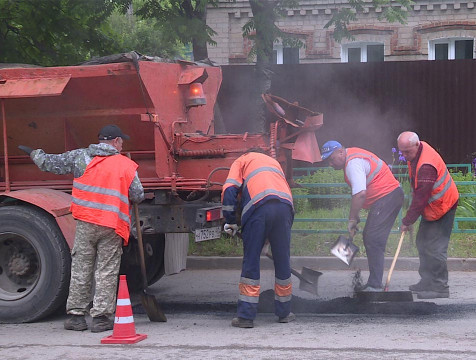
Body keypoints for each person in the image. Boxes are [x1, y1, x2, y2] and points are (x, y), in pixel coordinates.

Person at [19, 124, 144, 332]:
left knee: (81, 268)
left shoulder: (81, 157)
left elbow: (51, 163)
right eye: (121, 141)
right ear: (115, 142)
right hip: (111, 226)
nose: (122, 144)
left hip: (86, 223)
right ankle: (101, 318)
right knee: (106, 270)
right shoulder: (125, 165)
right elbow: (137, 195)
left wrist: (35, 153)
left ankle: (76, 317)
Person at [221, 150, 295, 328]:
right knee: (282, 259)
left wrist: (230, 221)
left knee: (251, 260)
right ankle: (285, 312)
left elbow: (229, 190)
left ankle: (246, 317)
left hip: (258, 208)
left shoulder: (241, 161)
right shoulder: (273, 162)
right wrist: (269, 239)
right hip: (286, 207)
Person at [321, 141, 404, 291]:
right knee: (372, 237)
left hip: (388, 197)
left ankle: (375, 285)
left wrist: (352, 219)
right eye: (327, 161)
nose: (330, 164)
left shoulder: (352, 163)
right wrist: (356, 215)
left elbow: (360, 194)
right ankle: (375, 282)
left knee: (372, 238)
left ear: (340, 152)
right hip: (388, 197)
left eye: (331, 159)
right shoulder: (352, 156)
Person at [397, 131, 459, 299]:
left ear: (416, 145)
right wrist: (410, 218)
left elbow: (421, 198)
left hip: (443, 206)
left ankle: (440, 287)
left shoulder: (426, 166)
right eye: (401, 151)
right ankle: (427, 281)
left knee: (435, 248)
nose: (404, 155)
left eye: (406, 151)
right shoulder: (417, 152)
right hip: (432, 207)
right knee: (422, 242)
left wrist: (407, 220)